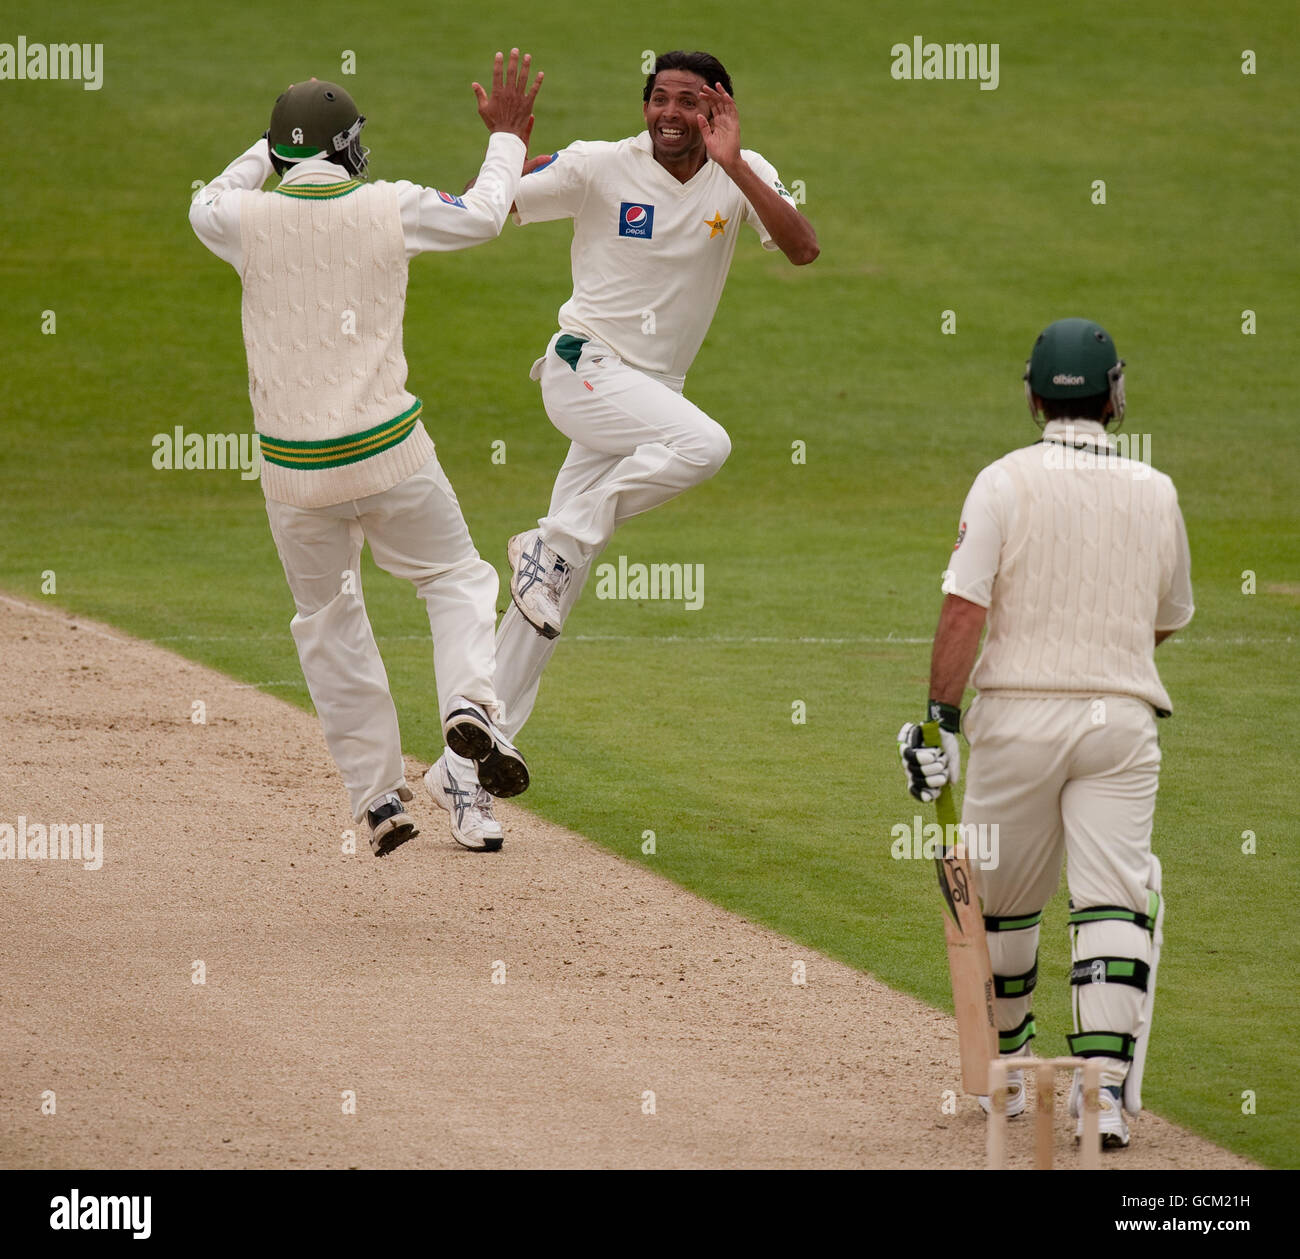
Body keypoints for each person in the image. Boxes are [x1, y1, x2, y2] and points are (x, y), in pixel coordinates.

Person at [426, 49, 819, 850]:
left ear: (720, 111)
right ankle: (551, 544)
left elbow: (804, 246)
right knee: (705, 444)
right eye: (660, 99)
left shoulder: (740, 172)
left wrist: (736, 166)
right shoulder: (599, 166)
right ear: (646, 106)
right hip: (585, 369)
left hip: (646, 399)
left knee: (546, 608)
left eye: (691, 103)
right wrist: (504, 144)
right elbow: (488, 206)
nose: (671, 114)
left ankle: (461, 769)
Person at [189, 52, 544, 855]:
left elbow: (209, 198)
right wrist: (506, 138)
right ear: (344, 148)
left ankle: (379, 798)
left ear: (282, 156)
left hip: (292, 472)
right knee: (455, 578)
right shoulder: (392, 206)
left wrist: (270, 148)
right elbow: (488, 213)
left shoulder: (240, 219)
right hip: (390, 456)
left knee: (329, 619)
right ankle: (470, 705)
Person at [897, 318, 1194, 1150]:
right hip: (1121, 723)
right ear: (1115, 395)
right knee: (1112, 900)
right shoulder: (1156, 490)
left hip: (1016, 718)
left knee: (1002, 905)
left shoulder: (1001, 481)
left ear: (1032, 396)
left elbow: (965, 608)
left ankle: (1014, 1075)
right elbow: (1164, 619)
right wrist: (1108, 664)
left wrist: (940, 721)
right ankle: (1100, 1099)